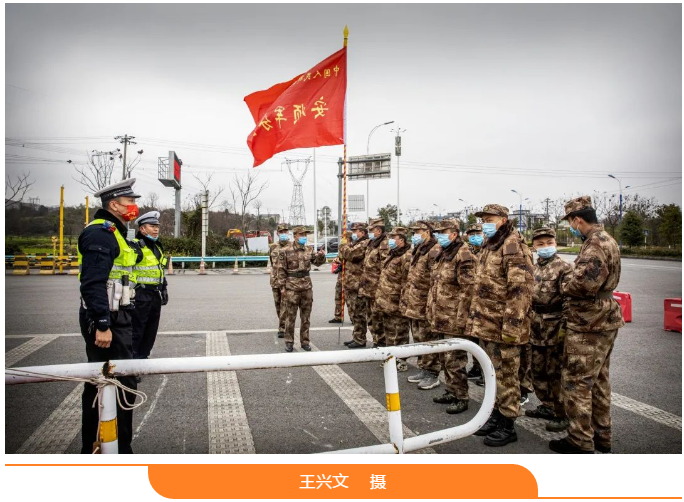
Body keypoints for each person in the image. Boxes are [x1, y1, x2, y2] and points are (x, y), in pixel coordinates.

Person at [549, 196, 624, 454]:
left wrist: (564, 284)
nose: (572, 226)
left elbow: (584, 285)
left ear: (577, 219)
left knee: (577, 383)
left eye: (571, 222)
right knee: (599, 381)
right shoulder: (608, 240)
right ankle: (602, 436)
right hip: (604, 318)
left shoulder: (594, 245)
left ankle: (580, 440)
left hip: (589, 323)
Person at [77, 178, 143, 454]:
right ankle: (105, 450)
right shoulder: (100, 233)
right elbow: (93, 282)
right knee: (108, 384)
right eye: (129, 203)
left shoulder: (115, 231)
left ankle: (115, 446)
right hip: (108, 320)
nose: (134, 207)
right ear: (114, 205)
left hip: (119, 315)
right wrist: (102, 324)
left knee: (117, 383)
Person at [466, 204, 534, 447]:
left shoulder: (512, 246)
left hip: (504, 327)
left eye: (490, 218)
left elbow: (520, 291)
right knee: (493, 374)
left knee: (506, 375)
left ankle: (508, 423)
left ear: (503, 220)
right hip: (487, 324)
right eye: (483, 218)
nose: (485, 222)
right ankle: (496, 415)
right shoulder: (489, 243)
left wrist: (512, 328)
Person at [525, 227, 573, 432]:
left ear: (555, 243)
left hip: (555, 327)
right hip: (535, 326)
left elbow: (569, 301)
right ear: (534, 246)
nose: (545, 247)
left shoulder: (564, 268)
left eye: (549, 243)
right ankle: (547, 405)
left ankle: (562, 413)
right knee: (537, 370)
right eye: (540, 244)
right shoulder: (533, 268)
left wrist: (565, 330)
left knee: (556, 373)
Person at [427, 219, 477, 414]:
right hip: (440, 315)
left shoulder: (464, 255)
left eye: (443, 232)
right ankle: (451, 390)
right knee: (445, 358)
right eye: (437, 232)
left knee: (455, 359)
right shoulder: (444, 253)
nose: (439, 235)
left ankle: (461, 396)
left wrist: (461, 318)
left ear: (454, 234)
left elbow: (468, 289)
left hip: (454, 317)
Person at [274, 226, 326, 352]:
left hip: (306, 287)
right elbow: (281, 270)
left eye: (305, 235)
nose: (304, 237)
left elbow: (318, 263)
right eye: (301, 235)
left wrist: (321, 256)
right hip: (292, 287)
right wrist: (282, 287)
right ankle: (289, 341)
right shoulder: (286, 250)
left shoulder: (309, 249)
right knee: (290, 317)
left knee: (306, 317)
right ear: (295, 236)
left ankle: (305, 341)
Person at [404, 220, 442, 390]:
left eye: (418, 231)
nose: (415, 234)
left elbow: (435, 278)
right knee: (419, 337)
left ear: (427, 232)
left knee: (428, 339)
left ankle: (432, 372)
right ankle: (423, 367)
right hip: (414, 301)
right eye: (414, 232)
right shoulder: (420, 249)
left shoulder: (434, 250)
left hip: (425, 301)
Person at [131, 211, 169, 366]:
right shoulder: (134, 246)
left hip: (154, 294)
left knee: (150, 330)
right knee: (137, 330)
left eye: (157, 226)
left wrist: (164, 287)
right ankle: (132, 363)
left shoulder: (156, 246)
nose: (156, 229)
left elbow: (159, 269)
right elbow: (128, 271)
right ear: (142, 229)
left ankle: (143, 358)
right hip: (140, 295)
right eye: (152, 226)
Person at [375, 227, 412, 371]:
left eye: (393, 237)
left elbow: (406, 280)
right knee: (389, 330)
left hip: (397, 299)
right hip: (386, 300)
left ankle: (401, 360)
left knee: (400, 331)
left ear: (401, 240)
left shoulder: (407, 256)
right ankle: (390, 357)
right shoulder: (392, 253)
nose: (390, 240)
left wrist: (403, 299)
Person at [359, 218, 390, 347]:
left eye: (371, 230)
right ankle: (377, 342)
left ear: (378, 230)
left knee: (379, 319)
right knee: (371, 319)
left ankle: (382, 344)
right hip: (368, 288)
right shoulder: (372, 243)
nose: (369, 233)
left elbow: (385, 267)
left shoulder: (384, 244)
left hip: (377, 289)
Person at [339, 222, 370, 348]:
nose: (353, 233)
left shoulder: (364, 243)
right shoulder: (355, 243)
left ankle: (360, 339)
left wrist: (344, 246)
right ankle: (357, 336)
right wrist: (345, 248)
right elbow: (343, 256)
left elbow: (351, 255)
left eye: (355, 231)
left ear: (362, 232)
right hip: (351, 283)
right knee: (353, 313)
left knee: (359, 313)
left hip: (358, 284)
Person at [464, 223, 485, 383]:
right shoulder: (468, 251)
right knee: (472, 338)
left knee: (484, 341)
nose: (474, 237)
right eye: (471, 234)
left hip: (484, 303)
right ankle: (477, 368)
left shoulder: (488, 250)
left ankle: (486, 373)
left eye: (477, 233)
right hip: (470, 301)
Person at [270, 223, 291, 337]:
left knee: (285, 305)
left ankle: (283, 327)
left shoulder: (292, 246)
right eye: (281, 232)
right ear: (277, 233)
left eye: (285, 232)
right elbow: (272, 263)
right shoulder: (273, 247)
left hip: (287, 281)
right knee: (278, 304)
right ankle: (282, 323)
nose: (283, 234)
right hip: (275, 280)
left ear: (288, 233)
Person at [329, 257, 344, 323]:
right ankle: (338, 317)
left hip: (350, 280)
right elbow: (337, 259)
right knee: (338, 298)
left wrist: (340, 262)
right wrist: (338, 261)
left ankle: (354, 318)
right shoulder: (342, 249)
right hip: (340, 279)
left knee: (351, 301)